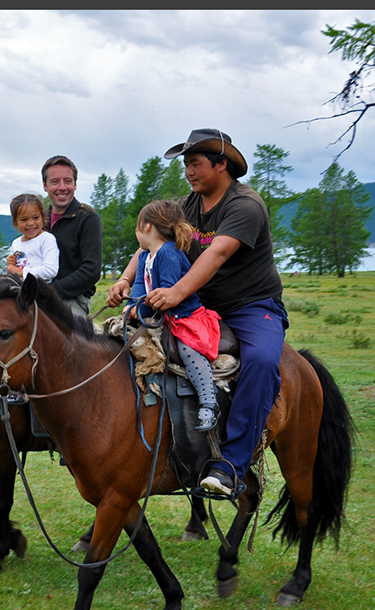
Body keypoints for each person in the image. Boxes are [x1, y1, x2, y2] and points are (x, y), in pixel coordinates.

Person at [106, 129, 285, 496]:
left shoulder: (244, 205)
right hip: (198, 307)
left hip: (250, 307)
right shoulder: (186, 207)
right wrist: (125, 280)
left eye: (195, 163)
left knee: (264, 361)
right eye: (186, 164)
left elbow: (216, 254)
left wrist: (175, 292)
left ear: (222, 165)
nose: (188, 171)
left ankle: (232, 465)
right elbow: (149, 246)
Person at [123, 200, 223, 432]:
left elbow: (166, 295)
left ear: (147, 227)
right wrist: (131, 308)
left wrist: (143, 311)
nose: (136, 232)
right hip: (158, 316)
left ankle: (209, 402)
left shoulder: (168, 253)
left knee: (188, 349)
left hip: (183, 316)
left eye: (137, 227)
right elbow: (140, 285)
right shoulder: (144, 256)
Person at [40, 155, 103, 319]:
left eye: (67, 181)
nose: (62, 187)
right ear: (45, 186)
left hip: (72, 300)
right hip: (38, 295)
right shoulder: (39, 220)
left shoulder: (87, 217)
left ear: (75, 184)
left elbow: (91, 270)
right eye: (55, 182)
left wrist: (51, 290)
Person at [3, 194, 59, 282]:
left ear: (43, 217)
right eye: (24, 219)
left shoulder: (46, 239)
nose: (31, 223)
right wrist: (11, 265)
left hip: (41, 291)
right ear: (15, 222)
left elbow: (50, 270)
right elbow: (13, 273)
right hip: (20, 291)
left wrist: (20, 272)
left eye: (36, 217)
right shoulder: (16, 243)